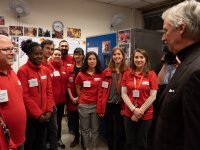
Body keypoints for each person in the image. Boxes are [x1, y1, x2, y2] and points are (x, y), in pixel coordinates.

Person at [153, 1, 200, 150]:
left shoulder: (195, 72)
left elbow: (194, 139)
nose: (163, 38)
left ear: (181, 28)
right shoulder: (187, 62)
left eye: (165, 31)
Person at [17, 39, 54, 150]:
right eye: (36, 54)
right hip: (31, 117)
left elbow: (49, 91)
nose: (39, 57)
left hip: (45, 115)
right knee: (30, 143)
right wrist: (38, 115)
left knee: (41, 143)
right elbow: (25, 96)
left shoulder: (45, 70)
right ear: (29, 55)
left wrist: (49, 110)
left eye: (40, 54)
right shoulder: (23, 71)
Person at [121, 49, 158, 150]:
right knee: (130, 141)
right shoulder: (127, 74)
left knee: (142, 142)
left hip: (146, 114)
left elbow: (153, 96)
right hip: (129, 113)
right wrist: (133, 109)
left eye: (141, 57)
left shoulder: (151, 74)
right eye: (136, 57)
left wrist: (140, 111)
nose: (139, 59)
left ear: (146, 59)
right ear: (132, 59)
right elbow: (123, 94)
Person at [97, 46, 127, 150]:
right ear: (112, 57)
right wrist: (100, 108)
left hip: (121, 106)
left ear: (123, 56)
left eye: (119, 54)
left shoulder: (127, 71)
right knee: (109, 130)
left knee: (120, 131)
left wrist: (125, 108)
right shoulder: (107, 71)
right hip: (109, 105)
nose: (116, 56)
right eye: (114, 54)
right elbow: (101, 90)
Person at [0, 35, 26, 150]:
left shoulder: (12, 72)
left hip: (19, 138)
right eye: (6, 49)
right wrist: (8, 141)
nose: (11, 53)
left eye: (12, 49)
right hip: (6, 143)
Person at [75, 51, 102, 150]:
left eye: (94, 59)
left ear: (96, 60)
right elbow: (77, 86)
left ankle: (94, 147)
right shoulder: (81, 74)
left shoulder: (100, 74)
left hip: (96, 105)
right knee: (85, 129)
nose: (92, 61)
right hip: (84, 105)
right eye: (90, 59)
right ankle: (86, 147)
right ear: (86, 61)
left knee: (95, 129)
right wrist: (81, 97)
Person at [48, 49, 68, 149]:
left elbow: (67, 83)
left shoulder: (64, 68)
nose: (57, 56)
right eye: (55, 54)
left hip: (61, 101)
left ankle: (58, 139)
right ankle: (50, 142)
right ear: (51, 55)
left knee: (58, 121)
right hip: (51, 102)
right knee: (52, 124)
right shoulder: (47, 67)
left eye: (59, 55)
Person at [41, 39, 58, 150]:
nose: (50, 51)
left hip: (52, 103)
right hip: (41, 105)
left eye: (52, 49)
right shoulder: (38, 67)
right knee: (42, 132)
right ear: (41, 49)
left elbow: (50, 88)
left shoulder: (51, 67)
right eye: (47, 48)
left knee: (53, 129)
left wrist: (51, 105)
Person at [67, 48, 84, 148]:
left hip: (85, 98)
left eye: (79, 54)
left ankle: (84, 139)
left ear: (83, 56)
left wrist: (82, 97)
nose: (77, 56)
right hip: (73, 98)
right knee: (75, 120)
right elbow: (68, 85)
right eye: (76, 54)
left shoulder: (86, 68)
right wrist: (72, 97)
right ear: (73, 56)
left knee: (84, 120)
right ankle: (76, 138)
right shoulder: (70, 69)